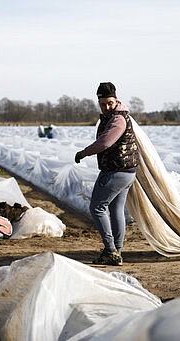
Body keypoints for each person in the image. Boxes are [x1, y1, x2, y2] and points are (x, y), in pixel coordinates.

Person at [74, 82, 139, 266]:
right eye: (103, 104)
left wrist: (83, 152)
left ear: (116, 100)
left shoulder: (118, 119)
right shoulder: (117, 116)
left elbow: (104, 143)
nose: (106, 107)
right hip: (126, 172)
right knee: (115, 209)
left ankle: (110, 249)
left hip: (116, 171)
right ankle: (116, 252)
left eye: (109, 103)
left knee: (97, 207)